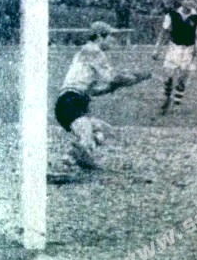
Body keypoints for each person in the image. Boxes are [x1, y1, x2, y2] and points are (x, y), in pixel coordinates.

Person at [54, 21, 151, 171]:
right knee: (86, 138)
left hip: (75, 101)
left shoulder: (88, 53)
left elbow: (95, 90)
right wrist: (135, 77)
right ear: (99, 36)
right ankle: (66, 164)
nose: (113, 39)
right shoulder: (93, 50)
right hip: (70, 101)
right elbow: (113, 78)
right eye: (110, 36)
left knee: (104, 131)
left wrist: (118, 85)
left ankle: (78, 159)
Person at [152, 0, 197, 113]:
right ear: (182, 1)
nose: (190, 2)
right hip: (174, 47)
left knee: (183, 78)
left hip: (189, 50)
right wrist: (157, 49)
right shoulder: (171, 15)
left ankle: (177, 104)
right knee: (169, 76)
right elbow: (163, 34)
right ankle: (167, 98)